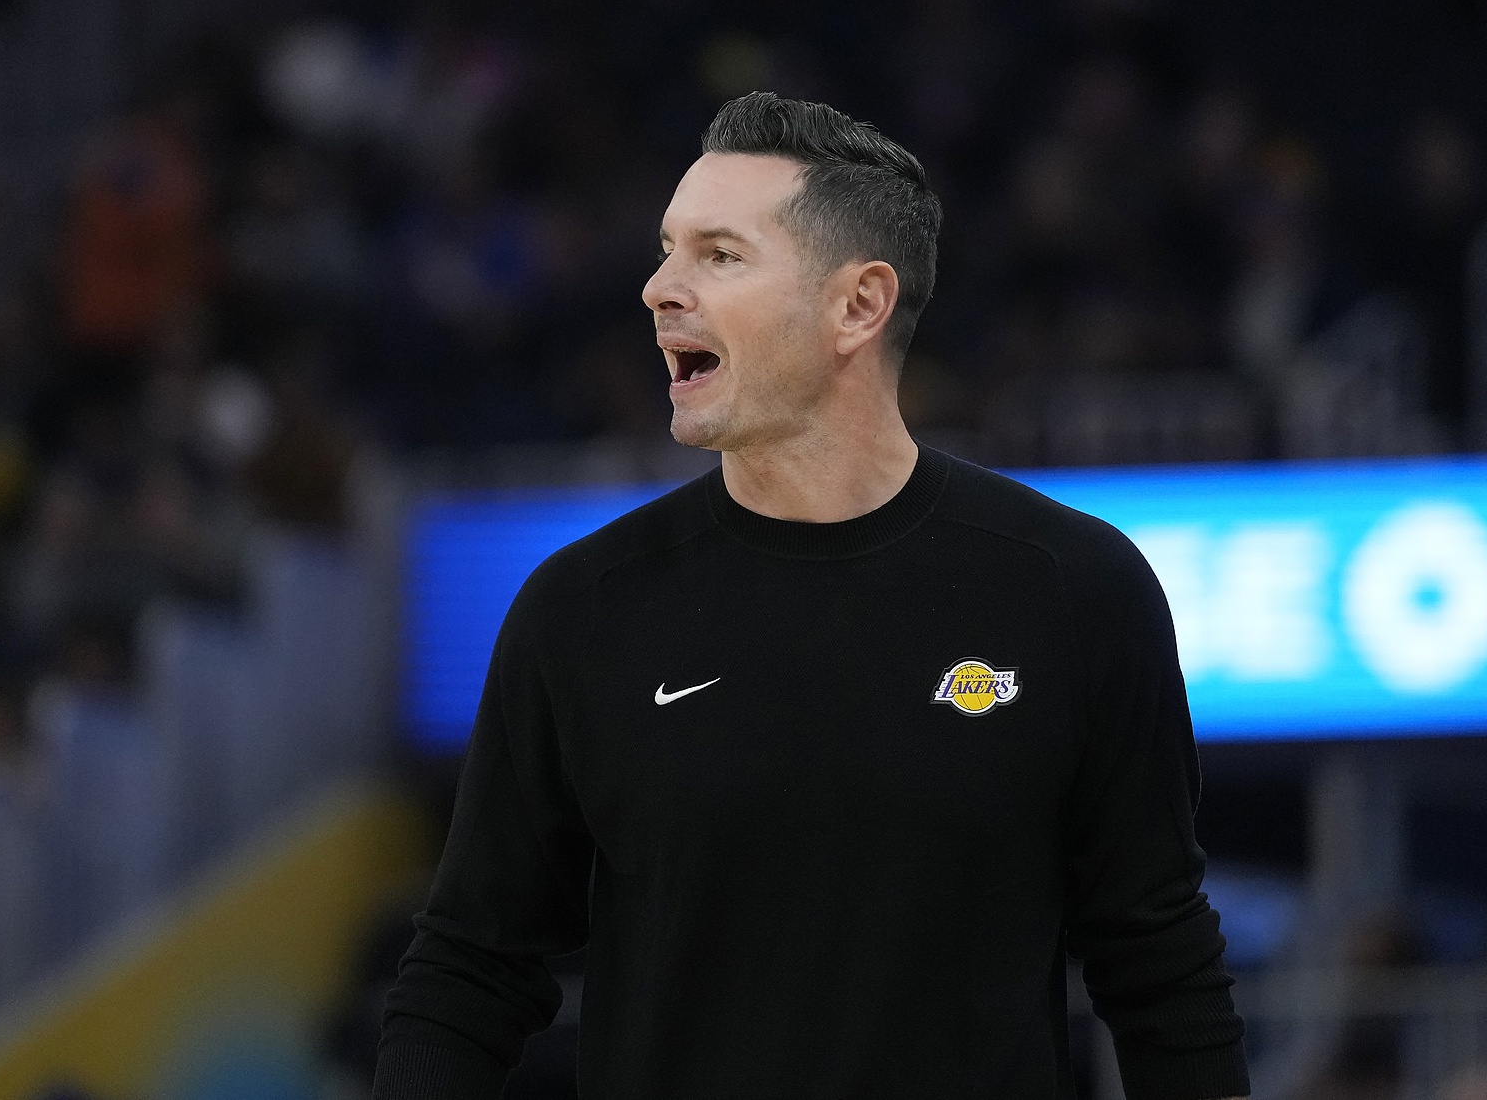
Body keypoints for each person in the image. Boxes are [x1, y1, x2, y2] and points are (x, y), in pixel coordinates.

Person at [374, 92, 1249, 1100]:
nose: (658, 287)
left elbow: (1160, 967)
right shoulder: (581, 608)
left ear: (857, 306)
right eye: (666, 249)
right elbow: (469, 970)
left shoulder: (1074, 588)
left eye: (719, 254)